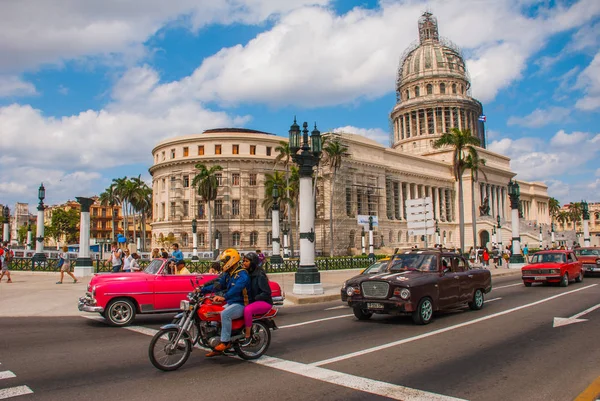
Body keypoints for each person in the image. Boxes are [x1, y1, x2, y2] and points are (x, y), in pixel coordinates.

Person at [201, 248, 250, 357]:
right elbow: (218, 285)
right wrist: (202, 289)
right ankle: (215, 343)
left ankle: (225, 342)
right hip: (231, 302)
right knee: (212, 312)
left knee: (225, 314)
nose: (224, 264)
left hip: (241, 303)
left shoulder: (242, 274)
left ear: (232, 260)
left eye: (225, 261)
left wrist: (224, 297)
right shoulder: (229, 274)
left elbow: (237, 288)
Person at [242, 252, 273, 341]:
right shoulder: (246, 273)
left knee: (247, 309)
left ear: (252, 262)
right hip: (252, 300)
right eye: (243, 261)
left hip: (264, 302)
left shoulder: (259, 275)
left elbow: (267, 292)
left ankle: (248, 336)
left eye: (246, 261)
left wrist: (255, 298)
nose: (244, 263)